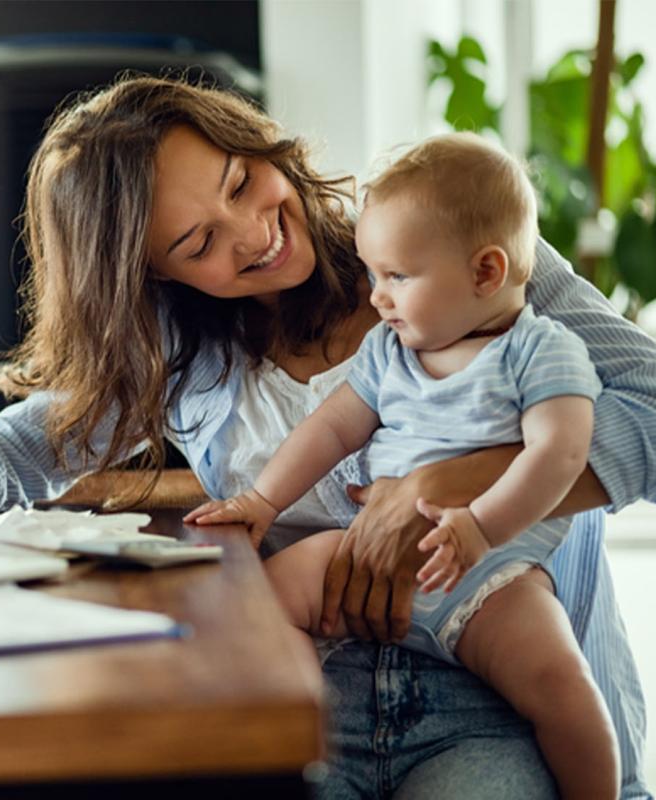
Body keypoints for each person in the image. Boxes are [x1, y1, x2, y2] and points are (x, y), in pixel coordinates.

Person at [0, 75, 656, 798]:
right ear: (152, 274)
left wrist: (442, 485)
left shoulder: (449, 246)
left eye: (243, 182)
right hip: (314, 685)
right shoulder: (183, 343)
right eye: (199, 241)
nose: (255, 232)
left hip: (500, 686)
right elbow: (39, 434)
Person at [186, 132, 616, 798]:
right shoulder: (391, 351)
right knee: (263, 594)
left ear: (485, 274)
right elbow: (330, 428)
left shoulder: (540, 352)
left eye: (397, 277)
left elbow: (560, 454)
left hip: (489, 576)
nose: (377, 297)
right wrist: (263, 501)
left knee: (562, 684)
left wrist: (479, 524)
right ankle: (307, 731)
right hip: (363, 554)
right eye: (373, 274)